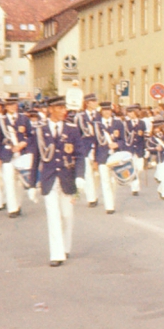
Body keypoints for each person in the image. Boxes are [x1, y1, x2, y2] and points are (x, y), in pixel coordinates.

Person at [30, 97, 85, 266]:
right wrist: (32, 184)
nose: (63, 111)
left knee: (67, 215)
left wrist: (80, 176)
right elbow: (36, 158)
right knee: (53, 217)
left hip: (67, 178)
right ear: (50, 109)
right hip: (49, 179)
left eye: (64, 108)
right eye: (60, 108)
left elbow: (80, 155)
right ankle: (56, 254)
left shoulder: (72, 129)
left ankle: (65, 247)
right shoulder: (39, 130)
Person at [94, 101, 125, 214]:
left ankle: (111, 200)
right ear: (101, 111)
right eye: (105, 110)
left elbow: (123, 140)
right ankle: (109, 206)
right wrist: (95, 160)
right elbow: (95, 143)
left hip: (115, 156)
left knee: (113, 182)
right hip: (102, 156)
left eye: (109, 110)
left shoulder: (118, 123)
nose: (107, 112)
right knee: (105, 181)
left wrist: (118, 144)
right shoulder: (97, 124)